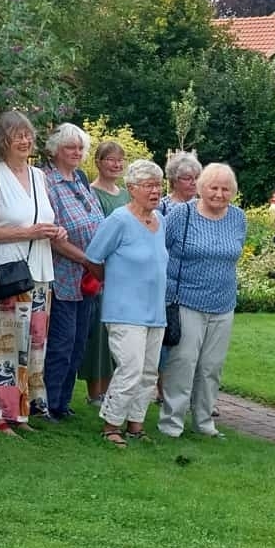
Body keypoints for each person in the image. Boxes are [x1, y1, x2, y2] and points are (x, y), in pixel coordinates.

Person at [0, 110, 60, 434]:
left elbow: (43, 219)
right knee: (6, 342)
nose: (25, 140)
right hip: (10, 269)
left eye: (28, 135)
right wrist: (28, 232)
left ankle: (22, 413)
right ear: (4, 140)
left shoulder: (39, 176)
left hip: (41, 269)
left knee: (35, 343)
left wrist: (55, 231)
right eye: (18, 135)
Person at [160, 163, 246, 438]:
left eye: (226, 189)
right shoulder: (180, 215)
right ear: (200, 188)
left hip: (223, 303)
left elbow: (234, 251)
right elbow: (161, 250)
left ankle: (204, 422)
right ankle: (172, 422)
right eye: (213, 187)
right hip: (185, 299)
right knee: (183, 363)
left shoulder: (238, 218)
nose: (219, 194)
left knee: (212, 366)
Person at [86, 160, 169, 447]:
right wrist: (114, 281)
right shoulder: (119, 220)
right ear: (131, 189)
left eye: (158, 185)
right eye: (149, 185)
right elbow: (93, 257)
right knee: (130, 369)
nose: (156, 191)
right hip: (124, 310)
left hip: (155, 311)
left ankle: (136, 425)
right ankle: (111, 425)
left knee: (148, 373)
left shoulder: (162, 222)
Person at [42, 123, 106, 422]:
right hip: (64, 275)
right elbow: (55, 235)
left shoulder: (81, 180)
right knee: (62, 342)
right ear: (55, 150)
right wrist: (87, 260)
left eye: (80, 148)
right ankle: (50, 402)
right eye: (70, 147)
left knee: (79, 342)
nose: (76, 153)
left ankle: (63, 402)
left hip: (88, 279)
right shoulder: (48, 182)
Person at [82, 141, 128, 407]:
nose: (116, 164)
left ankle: (112, 389)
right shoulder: (91, 193)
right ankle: (94, 392)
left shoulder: (125, 195)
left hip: (122, 275)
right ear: (98, 162)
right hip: (100, 273)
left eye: (120, 160)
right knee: (98, 332)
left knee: (117, 334)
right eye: (110, 159)